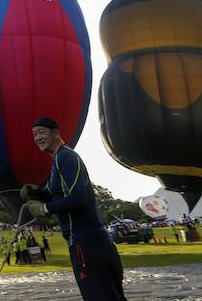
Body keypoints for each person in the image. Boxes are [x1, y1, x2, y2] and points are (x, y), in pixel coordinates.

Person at [21, 117, 127, 301]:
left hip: (86, 241)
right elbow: (55, 191)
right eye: (34, 134)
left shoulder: (66, 157)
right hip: (91, 241)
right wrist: (37, 192)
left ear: (56, 133)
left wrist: (45, 208)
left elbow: (79, 199)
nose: (37, 138)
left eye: (42, 132)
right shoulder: (57, 161)